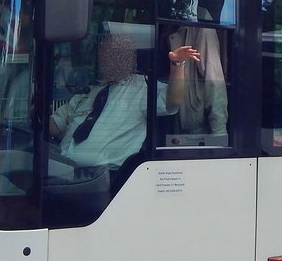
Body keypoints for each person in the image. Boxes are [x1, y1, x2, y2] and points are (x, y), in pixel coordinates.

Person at [50, 33, 199, 170]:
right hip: (62, 169)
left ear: (129, 59)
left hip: (106, 177)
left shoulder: (142, 87)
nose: (109, 59)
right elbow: (55, 125)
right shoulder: (90, 90)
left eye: (116, 54)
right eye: (105, 54)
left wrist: (177, 64)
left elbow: (173, 101)